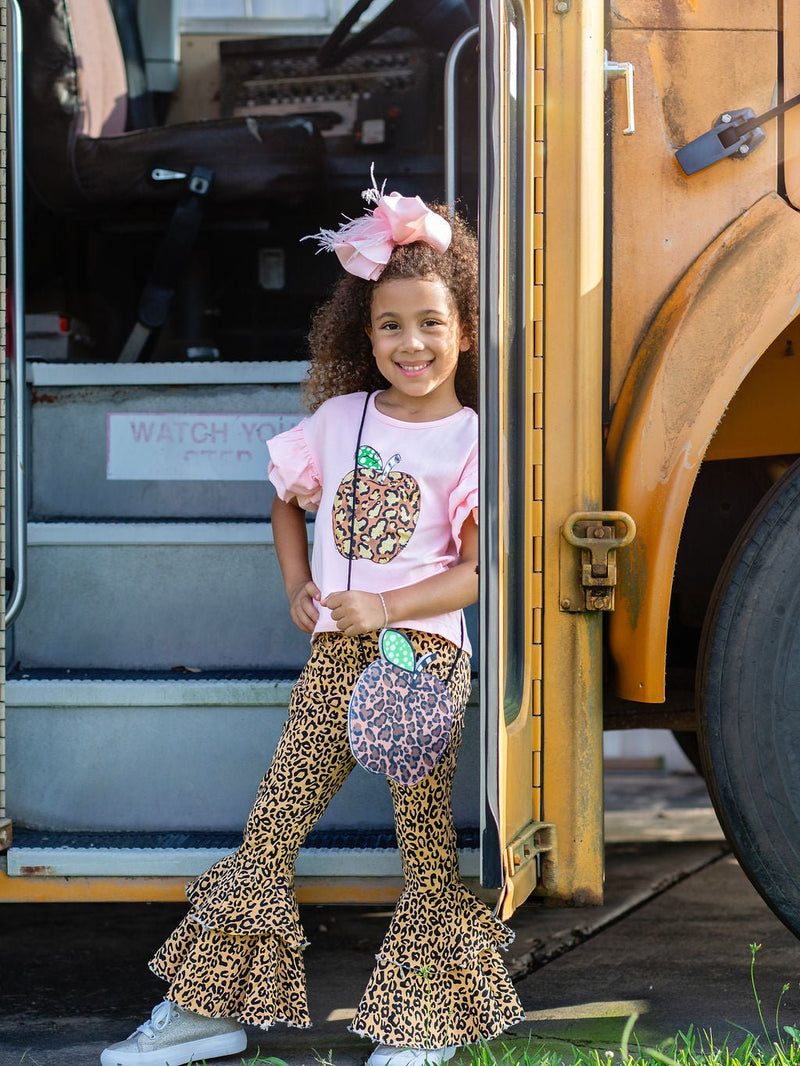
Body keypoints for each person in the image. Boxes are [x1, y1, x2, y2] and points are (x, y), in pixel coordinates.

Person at [100, 176, 525, 1066]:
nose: (413, 343)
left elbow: (476, 574)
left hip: (421, 660)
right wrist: (298, 582)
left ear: (467, 331)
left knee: (422, 839)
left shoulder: (472, 440)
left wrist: (387, 605)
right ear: (363, 336)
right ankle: (204, 1009)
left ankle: (427, 1021)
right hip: (334, 660)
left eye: (432, 323)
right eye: (392, 326)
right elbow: (286, 503)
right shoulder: (339, 420)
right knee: (274, 821)